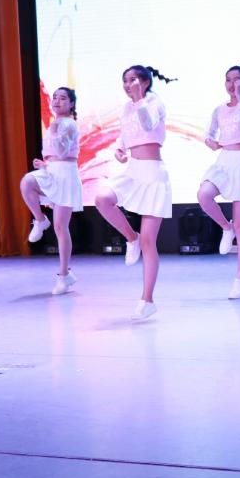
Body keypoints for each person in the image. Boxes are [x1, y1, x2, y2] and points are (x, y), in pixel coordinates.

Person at [94, 65, 175, 320]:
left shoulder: (154, 102)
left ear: (145, 82)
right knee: (102, 199)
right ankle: (131, 238)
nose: (128, 85)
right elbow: (125, 136)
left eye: (133, 80)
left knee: (150, 241)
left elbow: (148, 125)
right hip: (132, 170)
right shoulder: (126, 108)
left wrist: (140, 99)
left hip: (153, 173)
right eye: (125, 81)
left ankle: (147, 300)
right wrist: (120, 150)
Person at [198, 65, 240, 300]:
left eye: (237, 80)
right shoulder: (219, 109)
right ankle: (225, 228)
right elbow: (208, 133)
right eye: (228, 80)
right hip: (224, 160)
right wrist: (210, 141)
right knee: (204, 194)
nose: (232, 84)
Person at [20, 87, 84, 295]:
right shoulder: (54, 123)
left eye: (63, 98)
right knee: (27, 182)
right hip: (52, 171)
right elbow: (56, 154)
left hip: (66, 176)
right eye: (55, 97)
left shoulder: (69, 124)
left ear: (71, 104)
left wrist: (55, 130)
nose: (57, 101)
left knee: (60, 227)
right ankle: (40, 220)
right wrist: (45, 164)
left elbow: (63, 152)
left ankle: (64, 275)